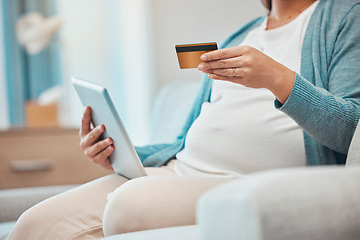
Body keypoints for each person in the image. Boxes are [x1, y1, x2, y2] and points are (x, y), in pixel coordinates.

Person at [8, 0, 360, 239]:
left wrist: (278, 79)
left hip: (244, 184)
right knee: (32, 226)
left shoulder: (346, 16)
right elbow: (184, 141)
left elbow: (351, 131)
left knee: (129, 205)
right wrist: (117, 151)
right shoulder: (243, 34)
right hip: (180, 170)